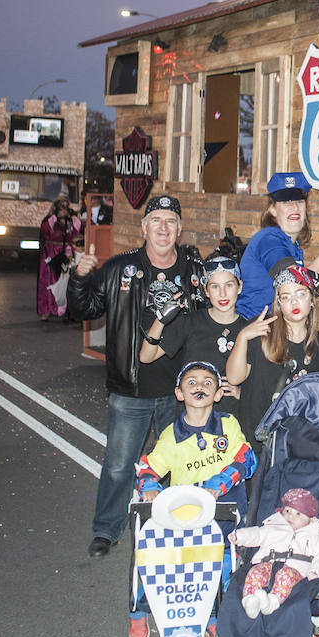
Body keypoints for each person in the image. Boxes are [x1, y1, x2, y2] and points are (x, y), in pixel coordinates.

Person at [67, 194, 207, 559]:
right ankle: (106, 529)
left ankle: (173, 528)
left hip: (179, 392)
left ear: (179, 229)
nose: (163, 228)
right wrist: (79, 278)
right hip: (131, 389)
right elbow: (84, 308)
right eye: (156, 220)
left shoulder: (194, 271)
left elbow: (210, 318)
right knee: (118, 465)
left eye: (170, 222)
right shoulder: (119, 269)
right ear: (144, 227)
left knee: (177, 465)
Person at [129, 361, 257, 637]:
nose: (200, 386)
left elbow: (246, 458)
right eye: (192, 382)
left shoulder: (227, 424)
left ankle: (213, 615)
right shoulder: (171, 435)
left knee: (221, 566)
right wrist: (149, 484)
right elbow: (150, 465)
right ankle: (139, 608)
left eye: (208, 382)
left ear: (218, 394)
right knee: (157, 555)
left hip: (223, 513)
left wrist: (219, 482)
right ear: (178, 393)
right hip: (187, 519)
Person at [225, 259, 319, 519]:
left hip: (296, 446)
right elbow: (233, 376)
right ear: (278, 303)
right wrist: (242, 337)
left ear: (312, 299)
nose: (294, 303)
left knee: (288, 511)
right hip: (257, 439)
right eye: (286, 297)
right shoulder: (261, 334)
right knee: (255, 510)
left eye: (301, 294)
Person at [236, 171, 319, 319]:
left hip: (275, 326)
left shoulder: (292, 246)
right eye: (286, 202)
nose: (295, 207)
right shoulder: (269, 238)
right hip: (253, 328)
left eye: (300, 201)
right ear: (272, 209)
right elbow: (294, 282)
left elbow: (306, 287)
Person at [138, 255, 248, 406]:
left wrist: (242, 393)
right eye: (215, 286)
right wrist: (160, 320)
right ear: (206, 291)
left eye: (229, 285)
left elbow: (260, 379)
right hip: (189, 417)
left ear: (240, 287)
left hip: (227, 419)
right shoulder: (190, 321)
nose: (223, 293)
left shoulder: (248, 331)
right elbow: (146, 357)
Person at [229, 488, 319, 618]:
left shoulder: (317, 534)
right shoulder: (273, 526)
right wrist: (240, 536)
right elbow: (257, 534)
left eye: (298, 514)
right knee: (254, 573)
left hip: (296, 569)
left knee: (285, 577)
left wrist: (316, 571)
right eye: (287, 511)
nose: (290, 516)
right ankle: (249, 601)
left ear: (311, 519)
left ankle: (271, 602)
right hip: (268, 563)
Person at [37, 196, 82, 322]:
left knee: (66, 282)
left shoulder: (72, 221)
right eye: (61, 206)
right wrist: (55, 219)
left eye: (66, 206)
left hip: (67, 253)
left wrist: (74, 220)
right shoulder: (50, 220)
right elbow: (46, 232)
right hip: (51, 253)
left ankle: (66, 310)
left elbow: (78, 233)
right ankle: (46, 310)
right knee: (48, 282)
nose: (64, 210)